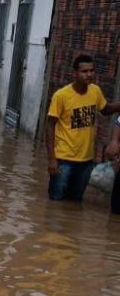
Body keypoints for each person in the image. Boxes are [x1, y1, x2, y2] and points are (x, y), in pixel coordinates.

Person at [46, 55, 120, 201]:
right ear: (75, 73)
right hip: (63, 159)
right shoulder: (61, 96)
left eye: (92, 71)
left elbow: (105, 109)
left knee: (75, 202)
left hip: (86, 161)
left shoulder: (95, 91)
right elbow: (49, 126)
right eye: (84, 71)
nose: (89, 75)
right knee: (56, 200)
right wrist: (51, 159)